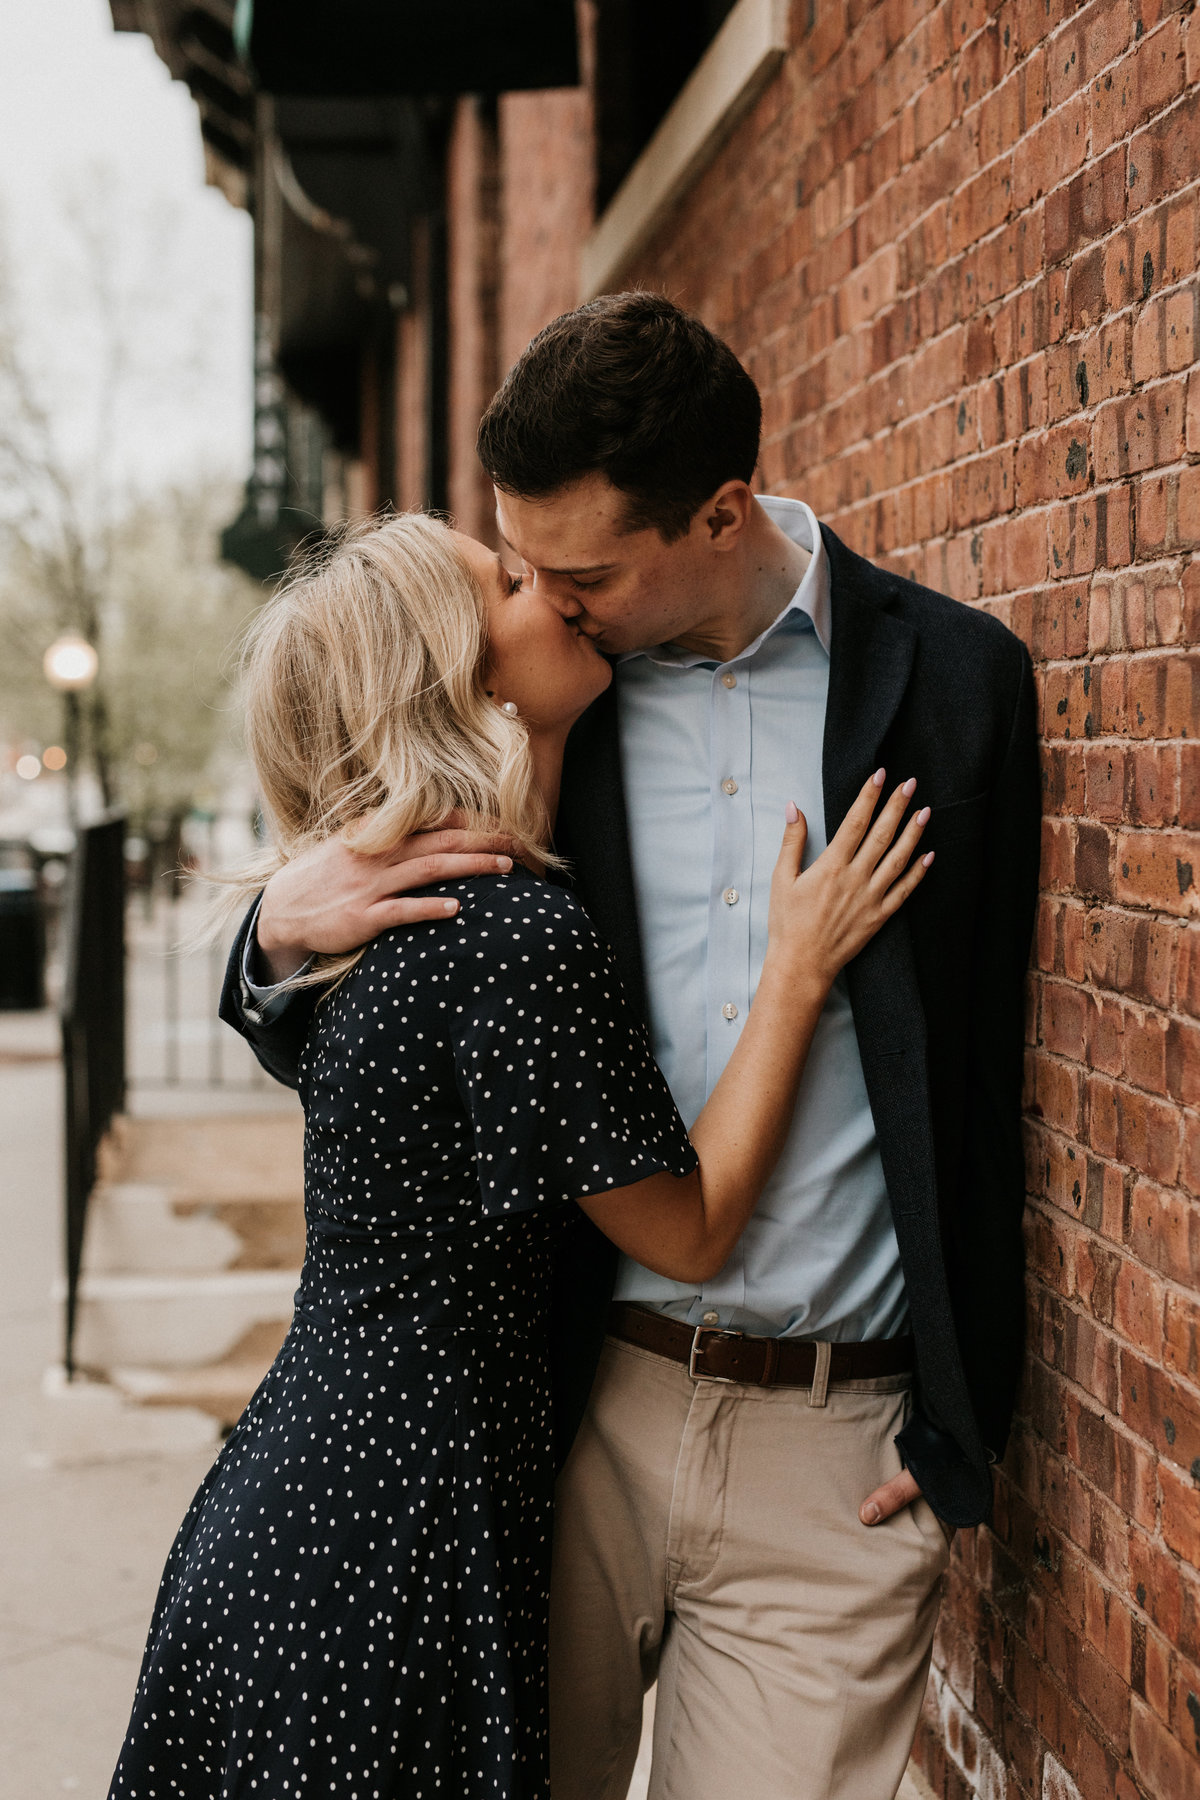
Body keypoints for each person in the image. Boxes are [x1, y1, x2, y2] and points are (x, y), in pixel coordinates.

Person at [221, 293, 1041, 1800]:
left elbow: (982, 1074)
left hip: (831, 1449)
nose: (548, 599)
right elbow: (413, 1055)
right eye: (517, 566)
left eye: (580, 573)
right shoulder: (553, 704)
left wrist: (956, 1421)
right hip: (571, 1413)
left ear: (718, 514)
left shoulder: (953, 684)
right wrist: (271, 936)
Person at [110, 511, 930, 1800]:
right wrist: (798, 968)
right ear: (468, 679)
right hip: (398, 1537)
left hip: (315, 1502)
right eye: (507, 582)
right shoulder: (510, 940)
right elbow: (691, 1229)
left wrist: (283, 920)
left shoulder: (396, 915)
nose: (548, 584)